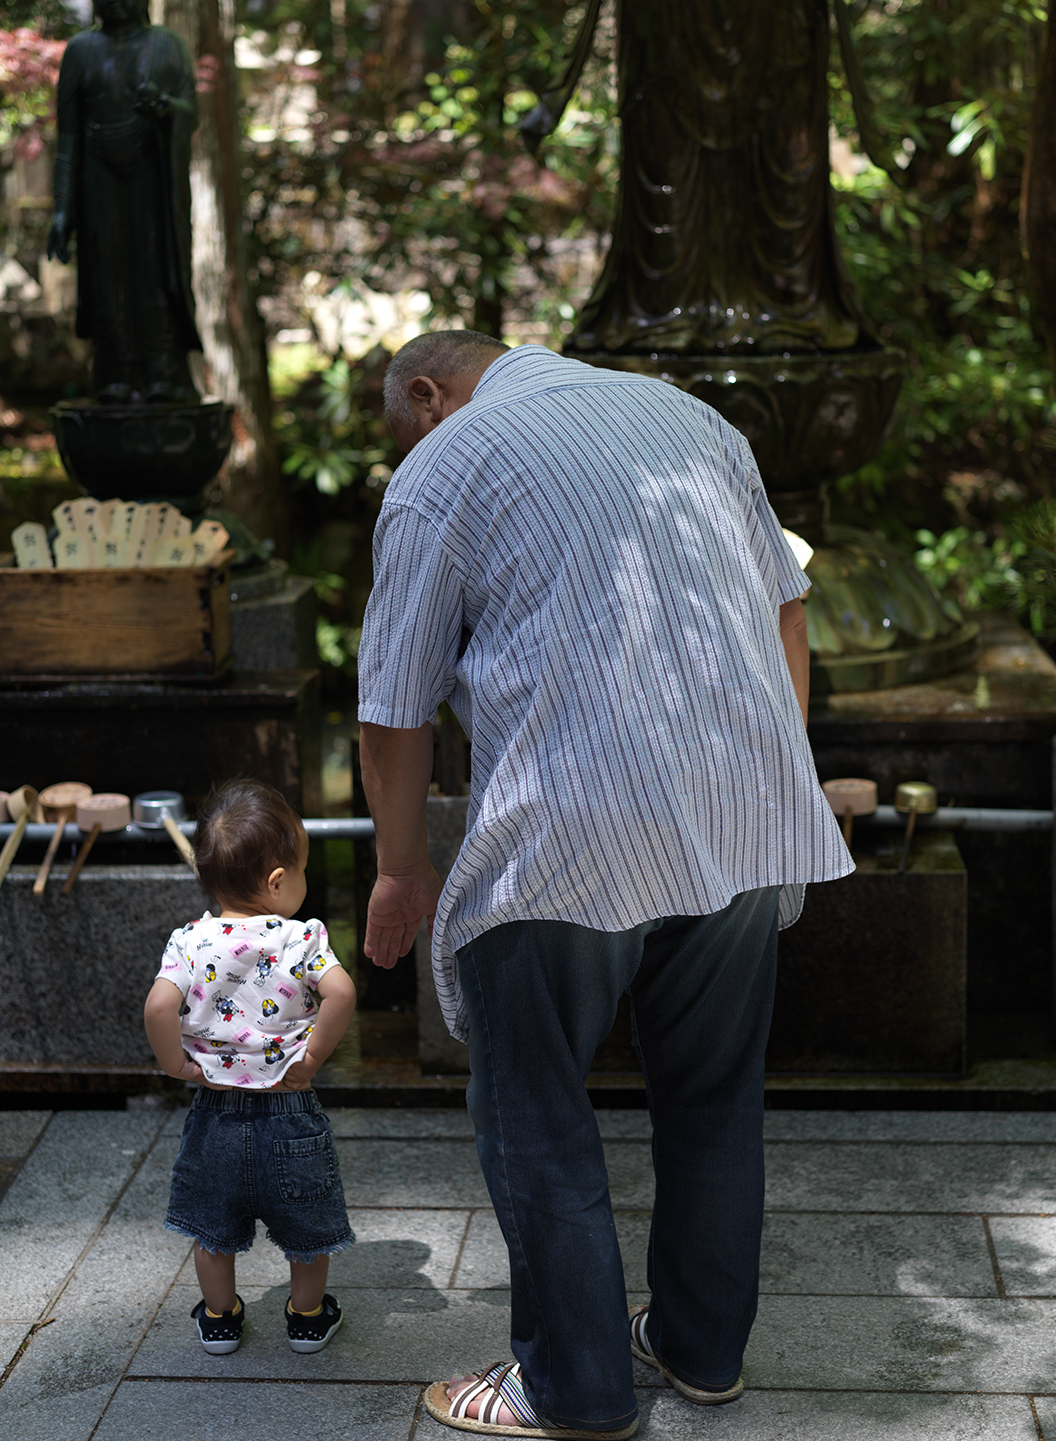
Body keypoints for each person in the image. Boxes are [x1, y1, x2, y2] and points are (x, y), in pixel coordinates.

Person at [356, 331, 850, 1438]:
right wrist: (769, 776)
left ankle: (572, 1388)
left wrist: (398, 866)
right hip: (737, 816)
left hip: (565, 832)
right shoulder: (691, 419)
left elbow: (392, 703)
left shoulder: (445, 463)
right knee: (714, 1096)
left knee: (531, 1108)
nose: (408, 448)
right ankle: (698, 1349)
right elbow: (786, 609)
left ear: (426, 394)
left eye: (403, 428)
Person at [144, 777, 356, 1358]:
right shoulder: (302, 939)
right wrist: (311, 1057)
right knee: (307, 1230)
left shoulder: (189, 942)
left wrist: (175, 1064)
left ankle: (220, 1319)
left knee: (213, 1229)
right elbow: (341, 993)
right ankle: (307, 1318)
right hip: (290, 1106)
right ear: (278, 880)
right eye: (304, 870)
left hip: (214, 1110)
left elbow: (158, 1006)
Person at [46, 0, 202, 403]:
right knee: (106, 275)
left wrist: (166, 108)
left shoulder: (166, 45)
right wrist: (62, 209)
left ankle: (163, 372)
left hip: (152, 183)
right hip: (98, 184)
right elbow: (67, 138)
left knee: (155, 272)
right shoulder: (80, 51)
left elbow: (190, 113)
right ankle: (115, 372)